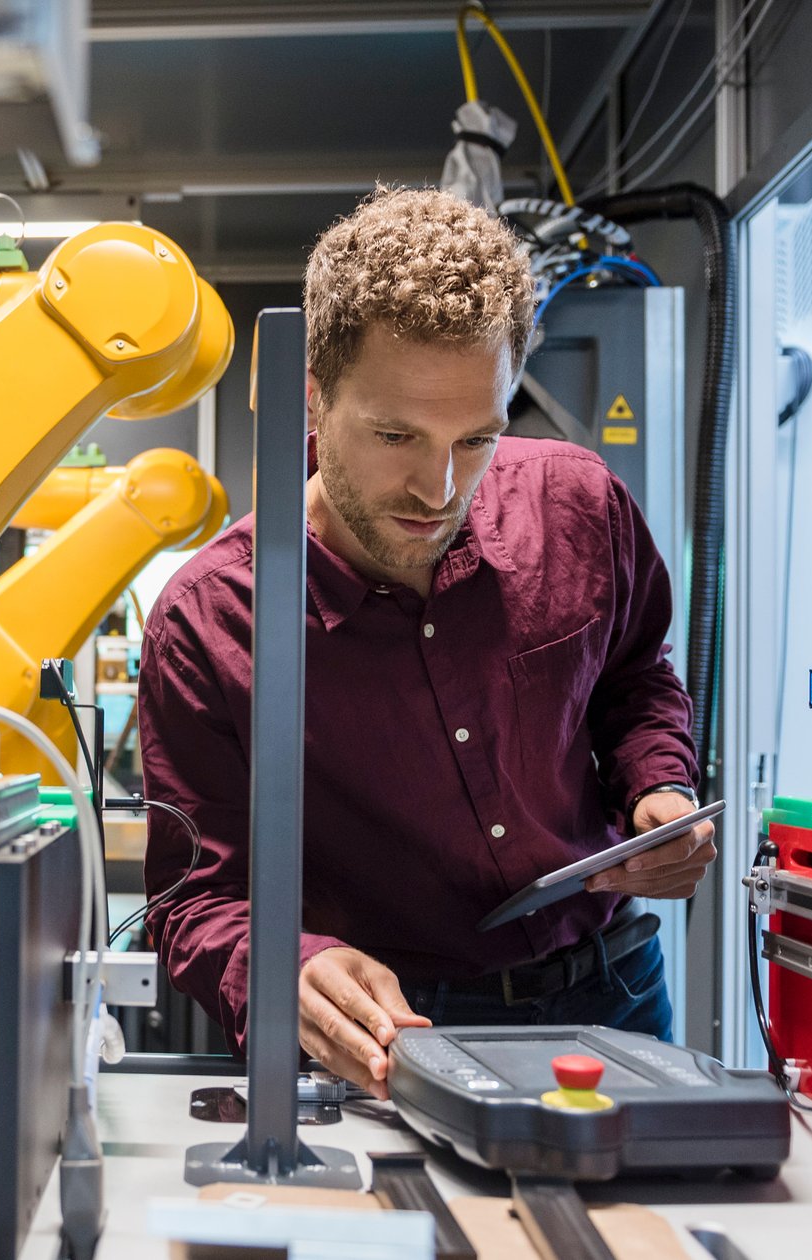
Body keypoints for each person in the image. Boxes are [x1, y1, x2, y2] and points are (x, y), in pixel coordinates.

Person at [137, 187, 712, 1100]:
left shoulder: (579, 506)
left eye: (476, 437)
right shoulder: (209, 621)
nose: (438, 487)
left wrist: (660, 786)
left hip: (610, 992)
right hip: (394, 1032)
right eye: (397, 434)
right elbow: (193, 901)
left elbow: (636, 677)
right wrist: (285, 969)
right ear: (315, 400)